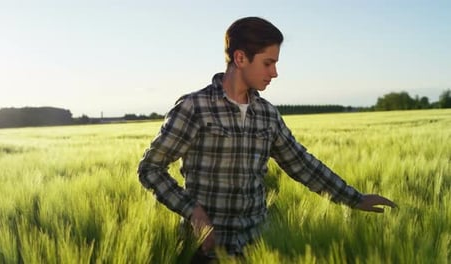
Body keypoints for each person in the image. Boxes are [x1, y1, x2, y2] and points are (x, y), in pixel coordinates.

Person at [138, 16, 396, 262]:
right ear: (240, 58)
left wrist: (355, 198)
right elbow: (150, 168)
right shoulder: (194, 108)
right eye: (267, 63)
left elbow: (302, 164)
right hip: (206, 251)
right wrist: (193, 212)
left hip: (258, 248)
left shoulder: (267, 114)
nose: (274, 73)